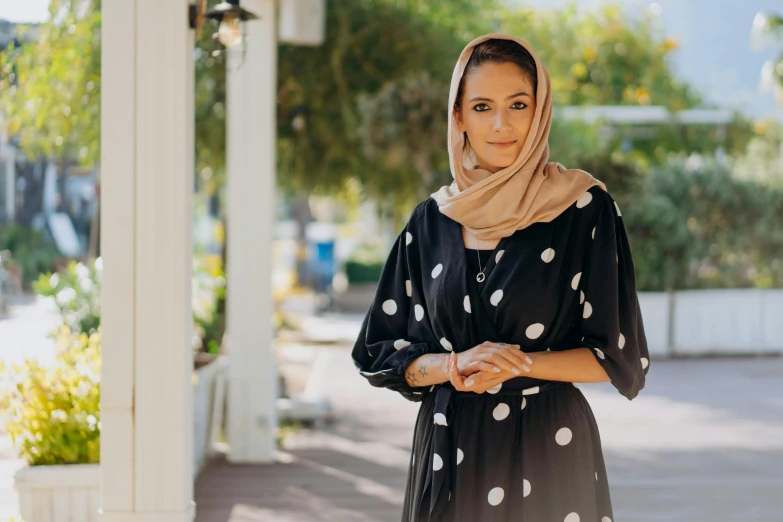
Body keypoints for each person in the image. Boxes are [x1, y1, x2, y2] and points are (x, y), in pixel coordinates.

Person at [351, 33, 649, 522]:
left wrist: (520, 365)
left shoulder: (584, 210)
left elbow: (617, 359)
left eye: (518, 104)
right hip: (450, 448)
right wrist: (453, 366)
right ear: (459, 116)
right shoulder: (429, 222)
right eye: (483, 106)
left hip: (549, 446)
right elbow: (378, 352)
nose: (501, 124)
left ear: (540, 112)